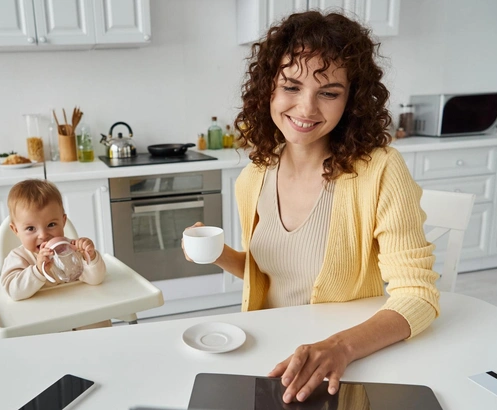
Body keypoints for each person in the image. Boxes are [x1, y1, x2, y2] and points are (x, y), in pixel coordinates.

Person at [182, 11, 439, 404]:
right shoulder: (254, 176)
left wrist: (341, 348)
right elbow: (267, 273)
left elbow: (418, 296)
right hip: (270, 355)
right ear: (267, 87)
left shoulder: (379, 171)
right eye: (291, 86)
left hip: (351, 360)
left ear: (351, 100)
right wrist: (217, 254)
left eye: (329, 92)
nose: (305, 108)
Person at [1, 179, 109, 329]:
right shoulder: (18, 258)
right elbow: (14, 291)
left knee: (99, 323)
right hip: (44, 325)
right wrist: (38, 271)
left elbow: (96, 279)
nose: (43, 235)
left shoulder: (70, 250)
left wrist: (89, 257)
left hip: (80, 316)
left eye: (51, 225)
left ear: (63, 222)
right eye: (31, 228)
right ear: (15, 230)